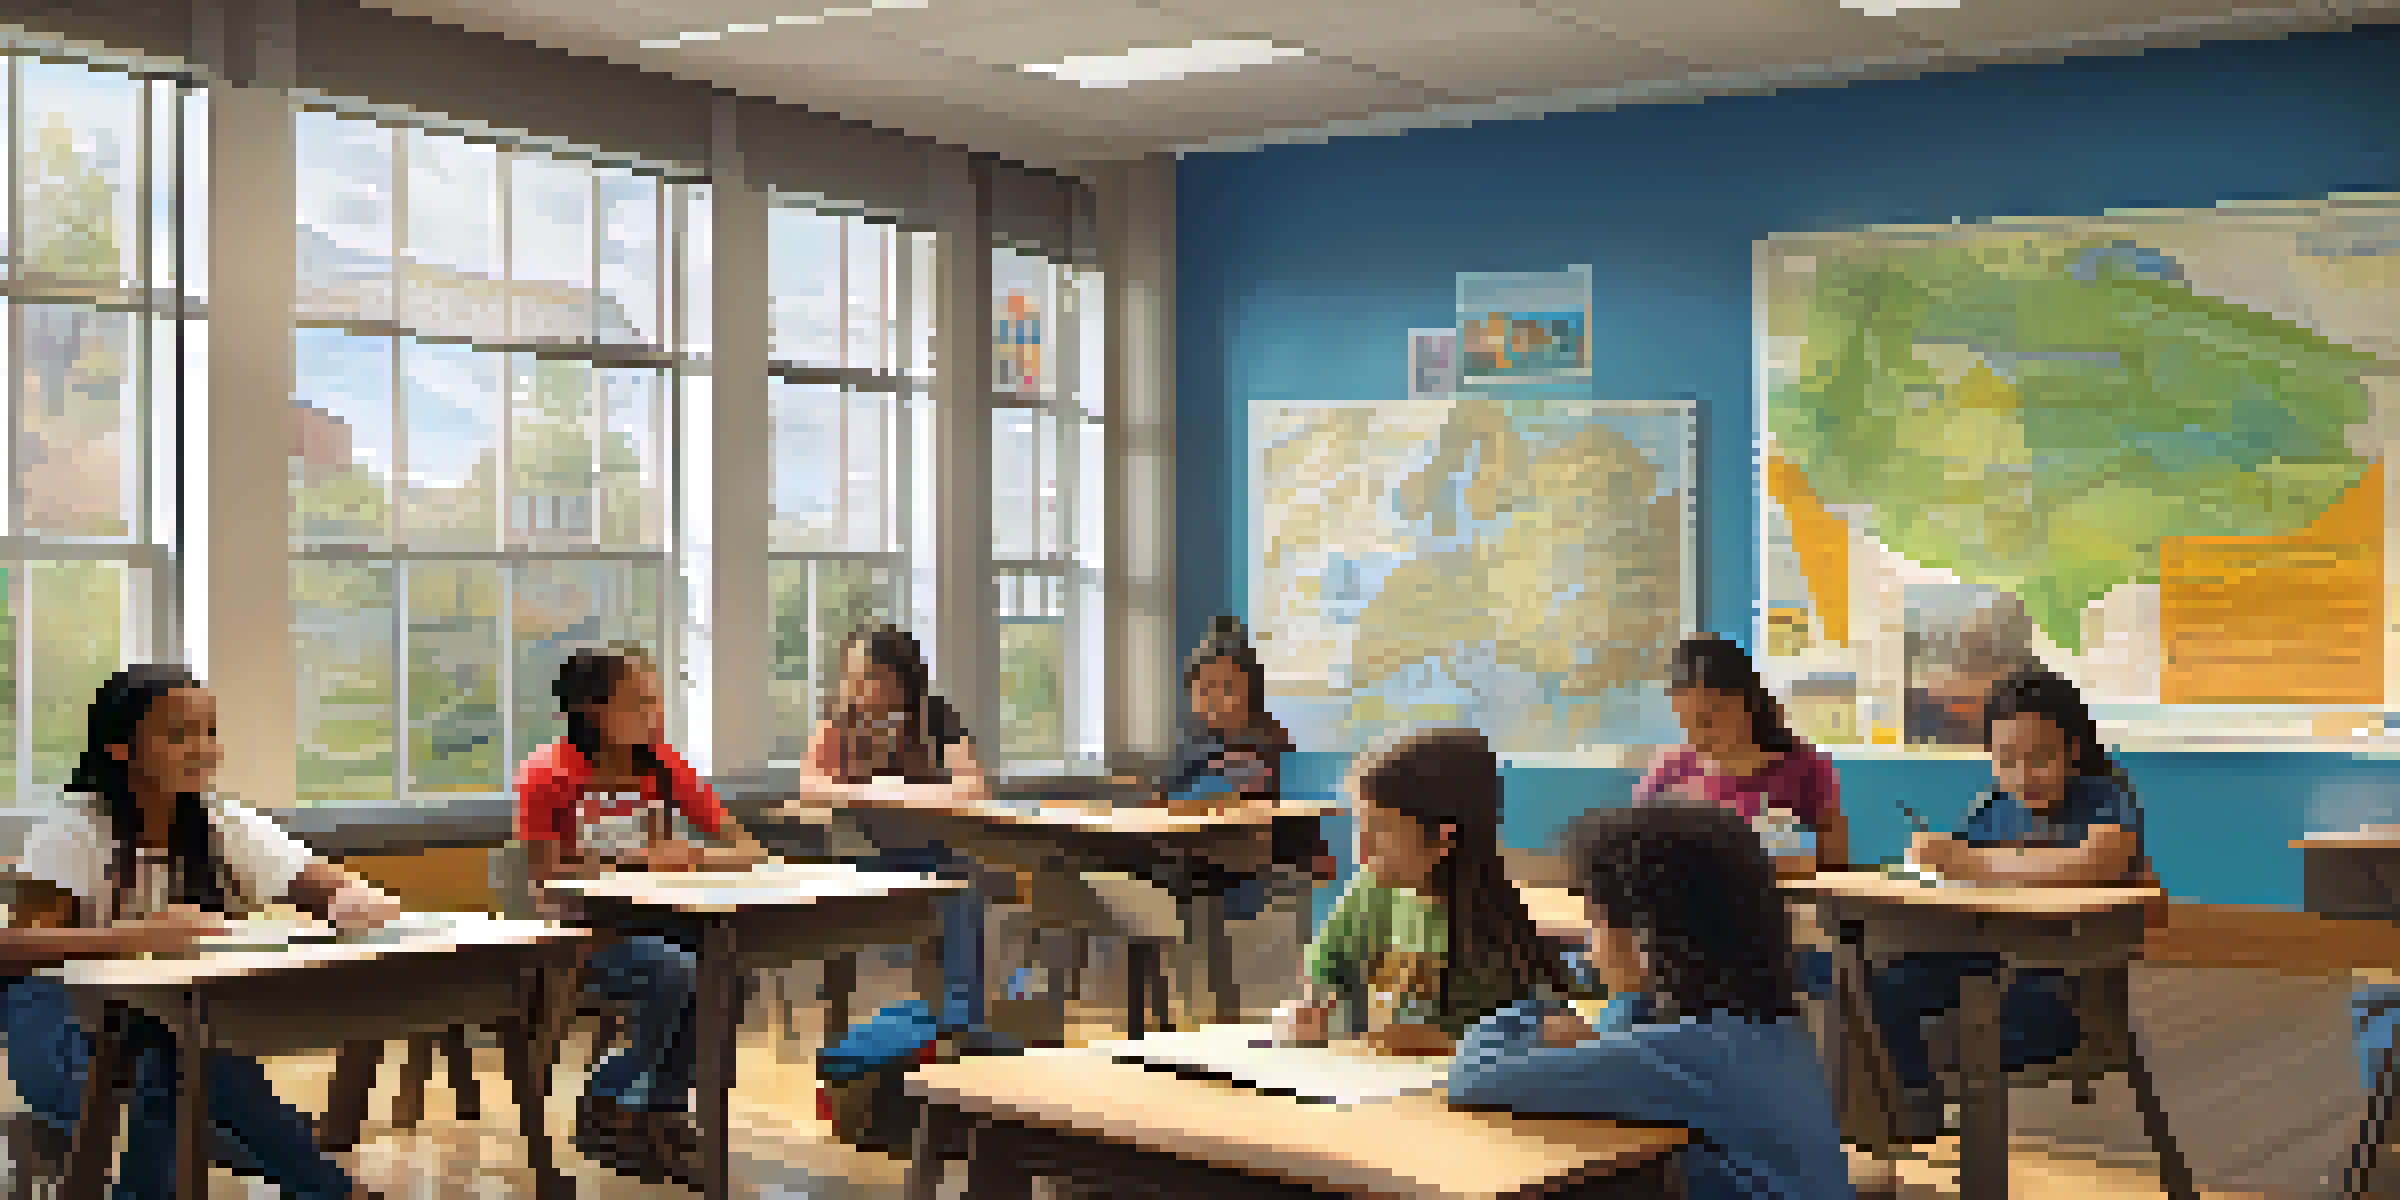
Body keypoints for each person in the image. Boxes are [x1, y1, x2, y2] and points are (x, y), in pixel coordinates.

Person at [0, 664, 400, 1200]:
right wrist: (140, 934)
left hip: (169, 1029)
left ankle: (316, 1183)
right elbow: (12, 949)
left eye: (209, 732)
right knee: (191, 1069)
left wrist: (350, 896)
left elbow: (320, 883)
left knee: (183, 1057)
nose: (203, 749)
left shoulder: (224, 822)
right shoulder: (73, 828)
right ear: (120, 749)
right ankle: (327, 1187)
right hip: (59, 1030)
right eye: (178, 735)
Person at [1447, 804, 1852, 1200]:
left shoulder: (1691, 1056)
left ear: (1643, 940)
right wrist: (1624, 994)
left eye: (1593, 921)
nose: (1588, 946)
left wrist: (1534, 1015)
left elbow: (1476, 1077)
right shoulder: (1754, 1027)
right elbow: (1611, 1036)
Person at [514, 644, 770, 1186]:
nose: (653, 716)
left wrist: (692, 856)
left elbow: (747, 848)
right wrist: (628, 859)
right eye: (639, 703)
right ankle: (608, 1100)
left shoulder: (662, 765)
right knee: (673, 970)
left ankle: (658, 1108)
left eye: (655, 702)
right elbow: (542, 879)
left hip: (656, 924)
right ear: (592, 709)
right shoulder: (548, 773)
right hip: (578, 935)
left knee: (725, 966)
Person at [1869, 666, 2151, 1139]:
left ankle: (1916, 1110)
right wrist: (1934, 862)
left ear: (2074, 751)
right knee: (1870, 984)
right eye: (2006, 759)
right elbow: (1955, 871)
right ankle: (1910, 1110)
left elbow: (2093, 865)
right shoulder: (1994, 803)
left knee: (1958, 1024)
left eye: (2041, 757)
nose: (2023, 774)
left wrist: (1970, 862)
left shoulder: (2102, 796)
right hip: (1983, 962)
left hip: (2059, 987)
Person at [781, 625, 1017, 1052]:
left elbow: (972, 787)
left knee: (965, 882)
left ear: (897, 677)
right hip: (861, 856)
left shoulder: (934, 714)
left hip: (932, 853)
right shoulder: (841, 719)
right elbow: (810, 785)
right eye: (849, 675)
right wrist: (869, 793)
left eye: (865, 675)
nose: (854, 686)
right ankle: (857, 1037)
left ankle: (962, 1019)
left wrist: (903, 793)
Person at [1278, 728, 1566, 1057]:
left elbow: (1535, 1044)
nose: (1363, 848)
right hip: (1368, 1088)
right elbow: (1326, 963)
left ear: (1443, 838)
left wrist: (1445, 1045)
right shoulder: (1369, 892)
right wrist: (1313, 1003)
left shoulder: (1492, 934)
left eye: (1382, 830)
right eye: (1361, 824)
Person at [1149, 616, 1334, 920]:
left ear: (1252, 692)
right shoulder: (1202, 746)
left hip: (1251, 878)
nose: (1214, 700)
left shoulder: (1265, 746)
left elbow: (1215, 802)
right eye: (1204, 689)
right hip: (1209, 861)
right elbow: (1167, 798)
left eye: (1226, 688)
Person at [1635, 634, 1851, 874]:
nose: (1699, 735)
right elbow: (1637, 856)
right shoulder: (1670, 770)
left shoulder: (1804, 766)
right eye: (1687, 723)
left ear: (1747, 702)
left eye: (1709, 717)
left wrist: (1795, 867)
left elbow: (1834, 862)